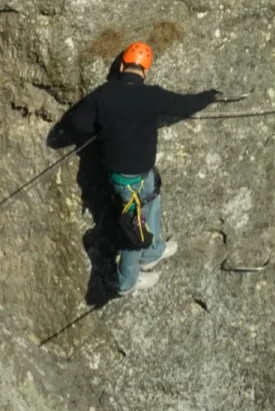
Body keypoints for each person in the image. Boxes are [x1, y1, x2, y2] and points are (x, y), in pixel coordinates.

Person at [57, 41, 220, 296]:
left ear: (122, 66)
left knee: (152, 200)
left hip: (132, 176)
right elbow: (183, 105)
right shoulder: (151, 96)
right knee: (135, 227)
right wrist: (209, 96)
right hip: (129, 180)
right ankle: (127, 282)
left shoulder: (104, 95)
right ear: (145, 71)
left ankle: (152, 252)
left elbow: (77, 123)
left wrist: (99, 126)